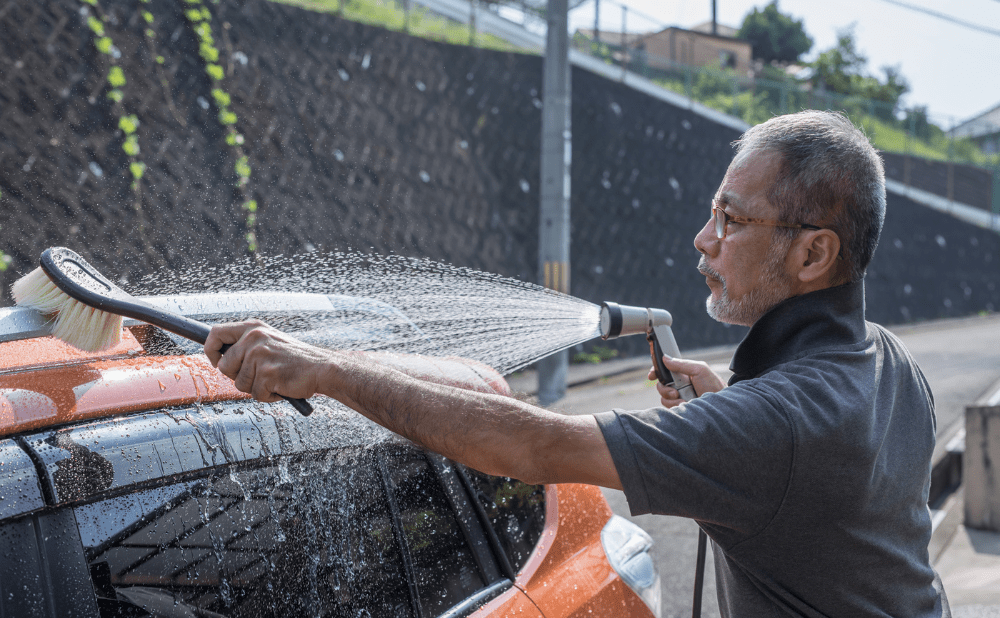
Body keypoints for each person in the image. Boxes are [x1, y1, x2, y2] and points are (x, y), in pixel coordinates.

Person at [205, 110, 949, 617]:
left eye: (733, 218)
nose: (703, 238)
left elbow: (535, 448)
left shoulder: (775, 425)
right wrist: (727, 401)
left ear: (814, 252)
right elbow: (825, 490)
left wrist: (329, 371)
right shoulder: (885, 359)